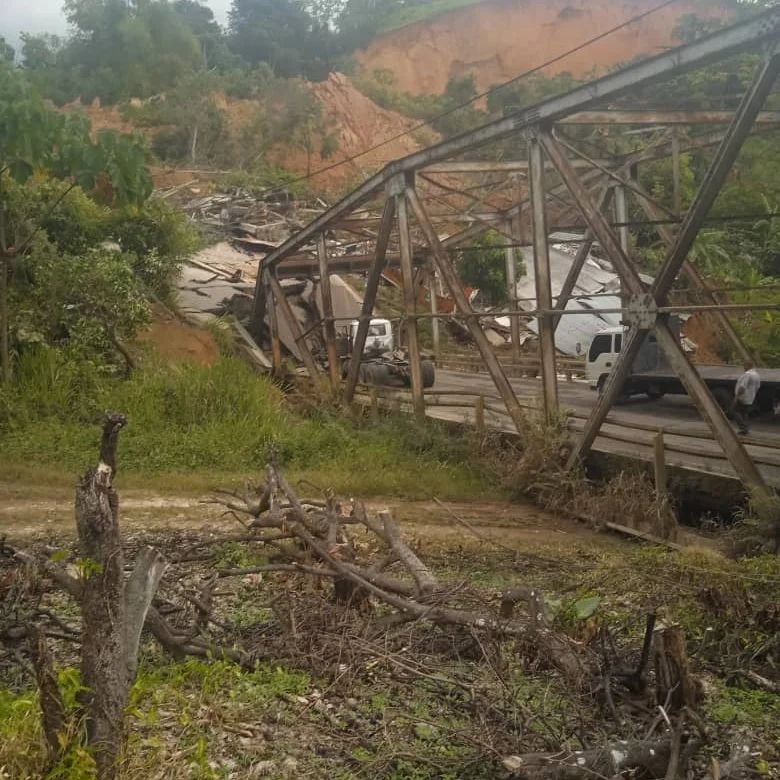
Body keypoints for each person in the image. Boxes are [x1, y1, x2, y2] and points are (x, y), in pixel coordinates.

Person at [733, 363, 760, 435]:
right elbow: (757, 387)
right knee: (744, 413)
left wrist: (736, 397)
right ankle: (745, 429)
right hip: (750, 398)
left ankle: (743, 427)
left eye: (744, 366)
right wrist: (752, 394)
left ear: (748, 366)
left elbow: (742, 387)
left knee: (734, 411)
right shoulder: (756, 375)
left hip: (742, 397)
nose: (744, 368)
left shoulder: (747, 374)